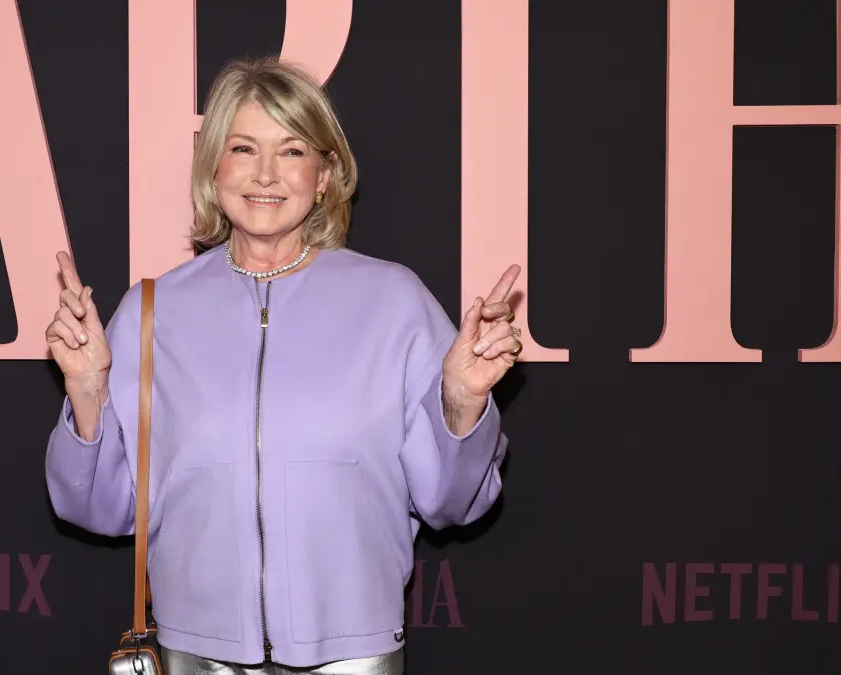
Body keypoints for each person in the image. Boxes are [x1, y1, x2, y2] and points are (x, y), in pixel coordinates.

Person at [44, 57, 519, 675]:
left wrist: (461, 404)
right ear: (214, 169)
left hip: (353, 658)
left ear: (325, 175)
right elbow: (97, 509)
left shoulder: (394, 301)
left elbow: (452, 504)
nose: (265, 173)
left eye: (292, 150)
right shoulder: (152, 311)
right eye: (243, 148)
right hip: (198, 657)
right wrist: (86, 391)